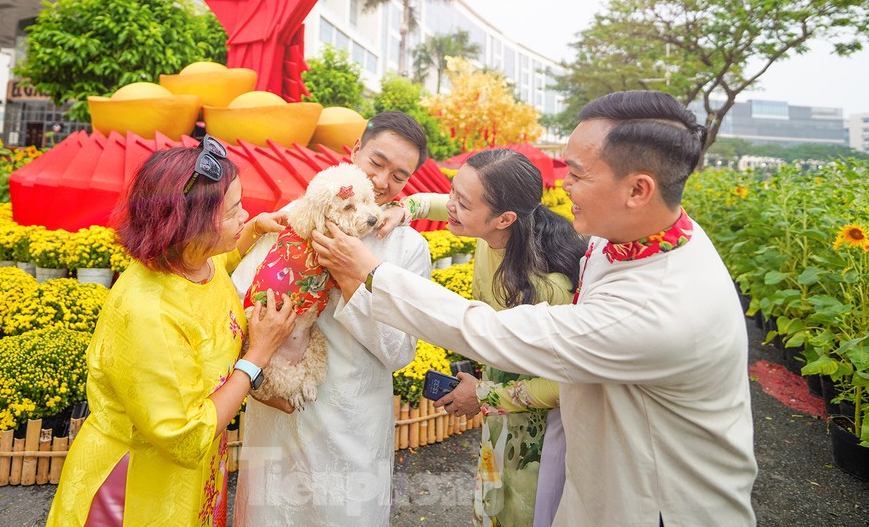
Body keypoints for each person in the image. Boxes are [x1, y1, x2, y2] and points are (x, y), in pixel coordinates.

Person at [313, 92, 758, 526]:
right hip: (602, 473)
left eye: (579, 174)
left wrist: (373, 272)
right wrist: (409, 206)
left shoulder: (657, 311)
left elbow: (495, 332)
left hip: (656, 504)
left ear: (638, 190)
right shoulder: (635, 230)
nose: (564, 185)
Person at [46, 138, 297, 527]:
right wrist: (257, 357)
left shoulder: (194, 260)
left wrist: (249, 230)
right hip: (137, 488)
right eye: (233, 212)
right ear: (189, 224)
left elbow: (221, 266)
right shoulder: (148, 312)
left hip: (194, 478)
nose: (245, 214)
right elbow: (186, 436)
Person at [231, 111, 433, 527]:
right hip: (277, 418)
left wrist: (349, 277)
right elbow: (236, 299)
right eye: (376, 163)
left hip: (352, 427)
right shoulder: (298, 214)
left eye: (398, 176)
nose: (382, 182)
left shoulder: (408, 247)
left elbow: (399, 352)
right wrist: (251, 379)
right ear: (355, 151)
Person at [386, 149, 587, 527]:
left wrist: (484, 395)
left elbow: (568, 382)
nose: (450, 207)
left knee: (523, 513)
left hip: (539, 433)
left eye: (461, 203)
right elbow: (441, 205)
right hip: (500, 412)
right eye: (452, 193)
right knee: (493, 504)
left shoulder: (547, 289)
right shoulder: (493, 235)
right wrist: (406, 208)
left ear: (504, 218)